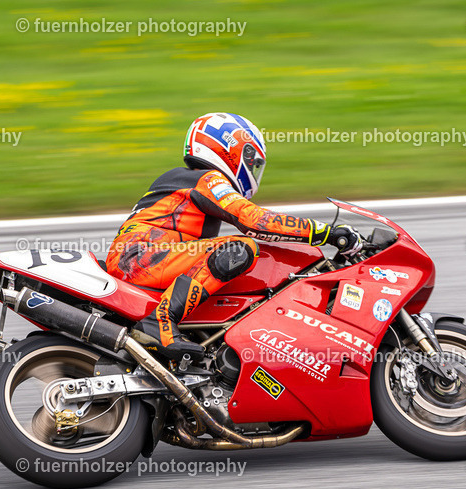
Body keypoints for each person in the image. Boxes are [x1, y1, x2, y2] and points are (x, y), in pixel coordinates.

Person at [105, 112, 361, 359]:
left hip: (144, 256)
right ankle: (159, 322)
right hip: (140, 256)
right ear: (232, 152)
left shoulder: (193, 181)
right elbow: (255, 221)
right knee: (240, 248)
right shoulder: (206, 179)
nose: (253, 169)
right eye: (252, 162)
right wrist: (325, 232)